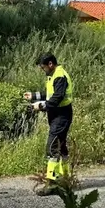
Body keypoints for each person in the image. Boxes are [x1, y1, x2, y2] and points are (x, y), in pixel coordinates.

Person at [23, 52, 74, 196]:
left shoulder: (60, 76)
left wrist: (39, 106)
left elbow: (56, 99)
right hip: (59, 115)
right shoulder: (55, 75)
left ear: (50, 64)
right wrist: (33, 96)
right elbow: (49, 94)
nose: (43, 70)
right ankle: (66, 180)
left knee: (52, 148)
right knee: (61, 147)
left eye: (43, 68)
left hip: (61, 115)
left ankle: (52, 184)